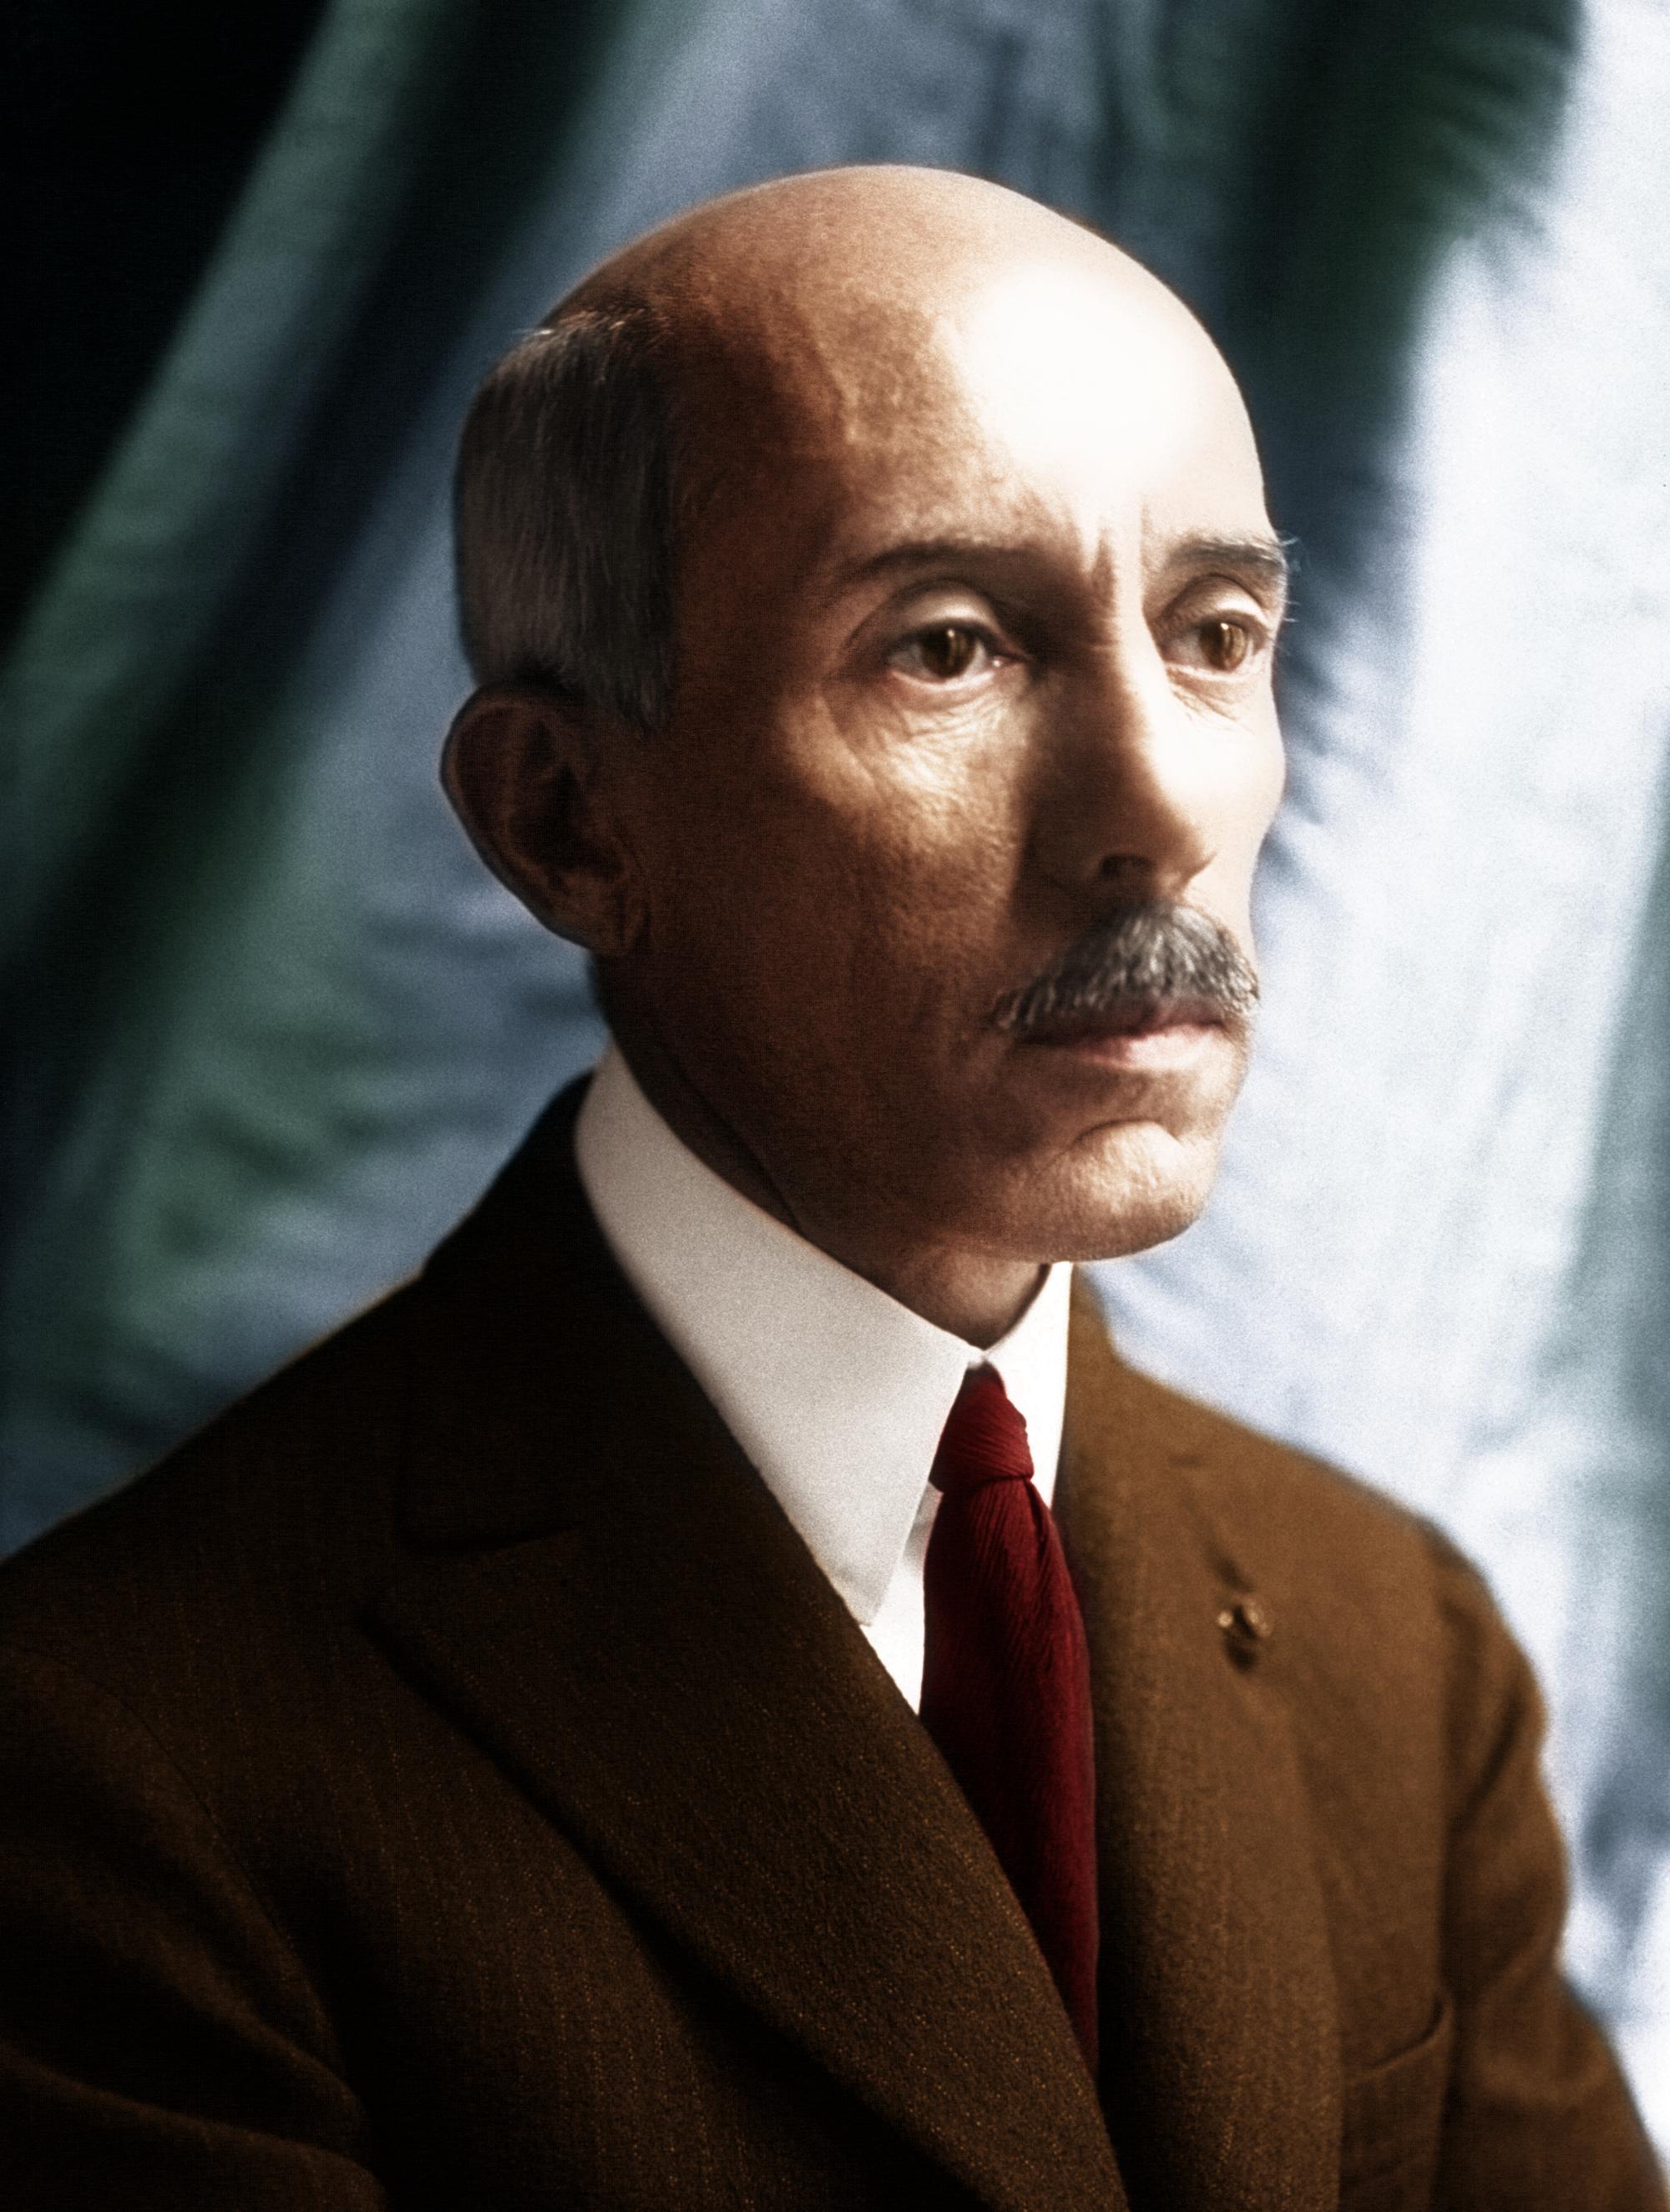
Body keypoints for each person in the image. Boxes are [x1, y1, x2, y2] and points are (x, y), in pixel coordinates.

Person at [0, 165, 1659, 2212]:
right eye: (947, 647)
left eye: (1215, 634)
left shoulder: (1401, 1653)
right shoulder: (107, 1774)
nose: (1159, 799)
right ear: (564, 818)